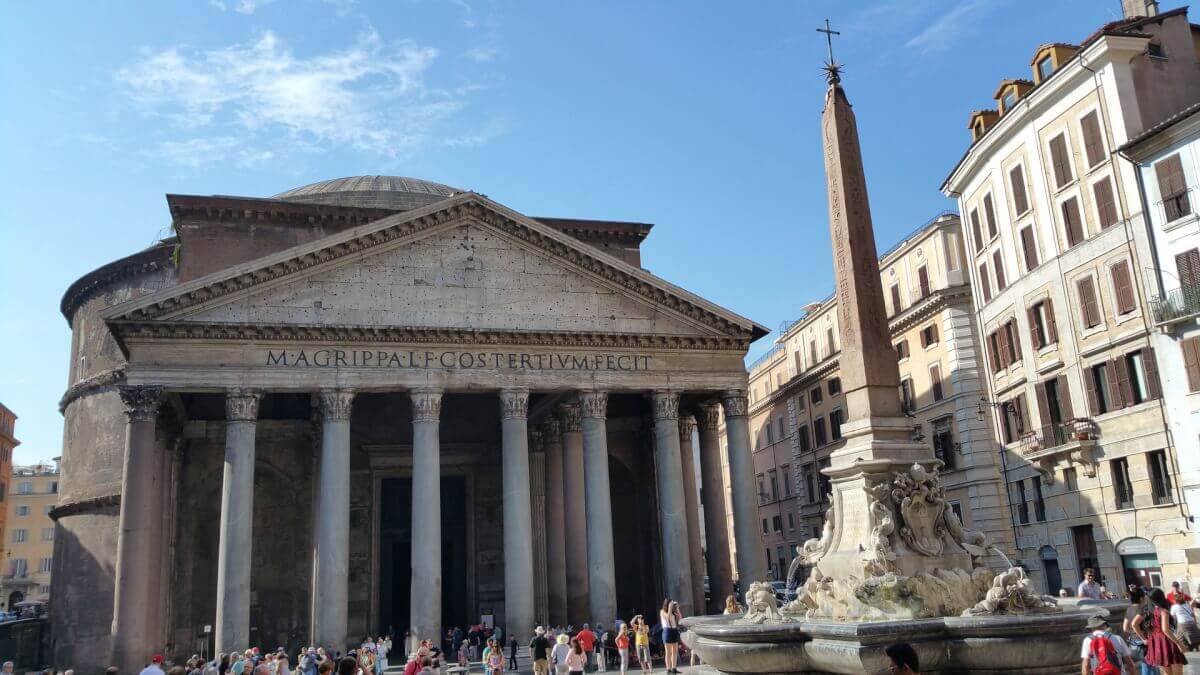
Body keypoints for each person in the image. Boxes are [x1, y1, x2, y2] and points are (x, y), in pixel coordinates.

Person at [1133, 588, 1188, 675]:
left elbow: (1134, 624)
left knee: (1166, 672)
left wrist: (1143, 639)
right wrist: (1178, 643)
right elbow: (1165, 630)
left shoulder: (1146, 610)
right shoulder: (1163, 611)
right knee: (1177, 672)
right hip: (1167, 641)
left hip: (1155, 642)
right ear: (1161, 597)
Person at [660, 600, 682, 674]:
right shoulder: (662, 611)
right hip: (667, 631)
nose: (671, 605)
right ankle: (668, 669)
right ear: (667, 604)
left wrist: (677, 608)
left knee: (675, 651)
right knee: (668, 652)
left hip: (674, 630)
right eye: (670, 604)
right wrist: (669, 608)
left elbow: (680, 618)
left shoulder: (673, 612)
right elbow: (667, 618)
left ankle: (674, 668)